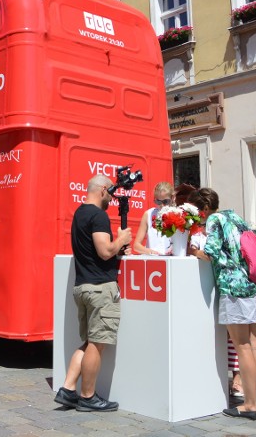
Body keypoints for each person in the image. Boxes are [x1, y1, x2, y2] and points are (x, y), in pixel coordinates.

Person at [186, 187, 256, 421]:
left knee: (242, 346)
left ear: (204, 208)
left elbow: (212, 252)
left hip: (236, 289)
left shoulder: (214, 220)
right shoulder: (235, 216)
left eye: (197, 211)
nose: (198, 216)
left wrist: (195, 252)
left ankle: (249, 405)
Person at [55, 175, 131, 412]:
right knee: (97, 344)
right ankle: (88, 397)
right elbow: (105, 251)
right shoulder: (98, 215)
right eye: (110, 193)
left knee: (89, 342)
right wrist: (121, 240)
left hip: (82, 286)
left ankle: (68, 389)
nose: (111, 199)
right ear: (103, 190)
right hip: (99, 288)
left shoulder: (79, 213)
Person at [132, 181, 174, 255]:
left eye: (166, 201)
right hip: (153, 259)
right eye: (158, 201)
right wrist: (150, 251)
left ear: (172, 198)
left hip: (171, 259)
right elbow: (136, 245)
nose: (162, 205)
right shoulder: (148, 214)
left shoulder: (178, 214)